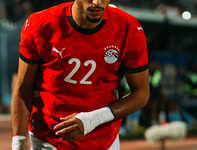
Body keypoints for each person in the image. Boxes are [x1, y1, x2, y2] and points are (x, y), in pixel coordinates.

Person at [11, 0, 149, 149]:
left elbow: (141, 94)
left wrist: (92, 119)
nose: (96, 2)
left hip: (104, 141)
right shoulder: (40, 24)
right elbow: (23, 88)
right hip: (49, 141)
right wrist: (19, 142)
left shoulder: (129, 27)